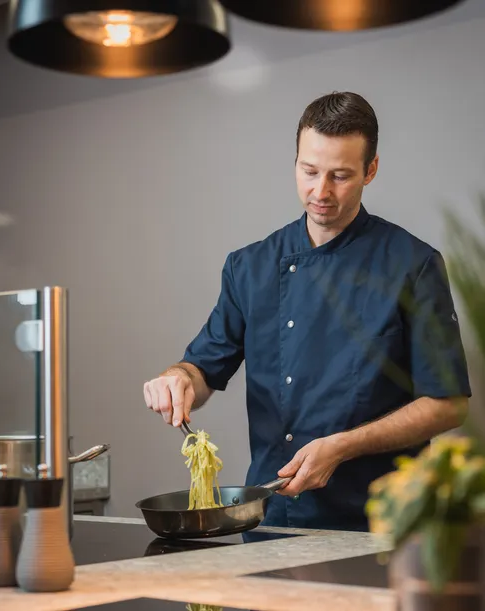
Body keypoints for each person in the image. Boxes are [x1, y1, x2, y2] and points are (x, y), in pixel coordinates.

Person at [143, 91, 472, 531]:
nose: (321, 191)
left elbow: (447, 404)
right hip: (270, 520)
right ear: (295, 160)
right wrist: (177, 380)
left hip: (380, 524)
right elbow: (202, 370)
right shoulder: (250, 266)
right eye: (309, 171)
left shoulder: (413, 264)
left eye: (340, 176)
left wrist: (341, 446)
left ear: (370, 170)